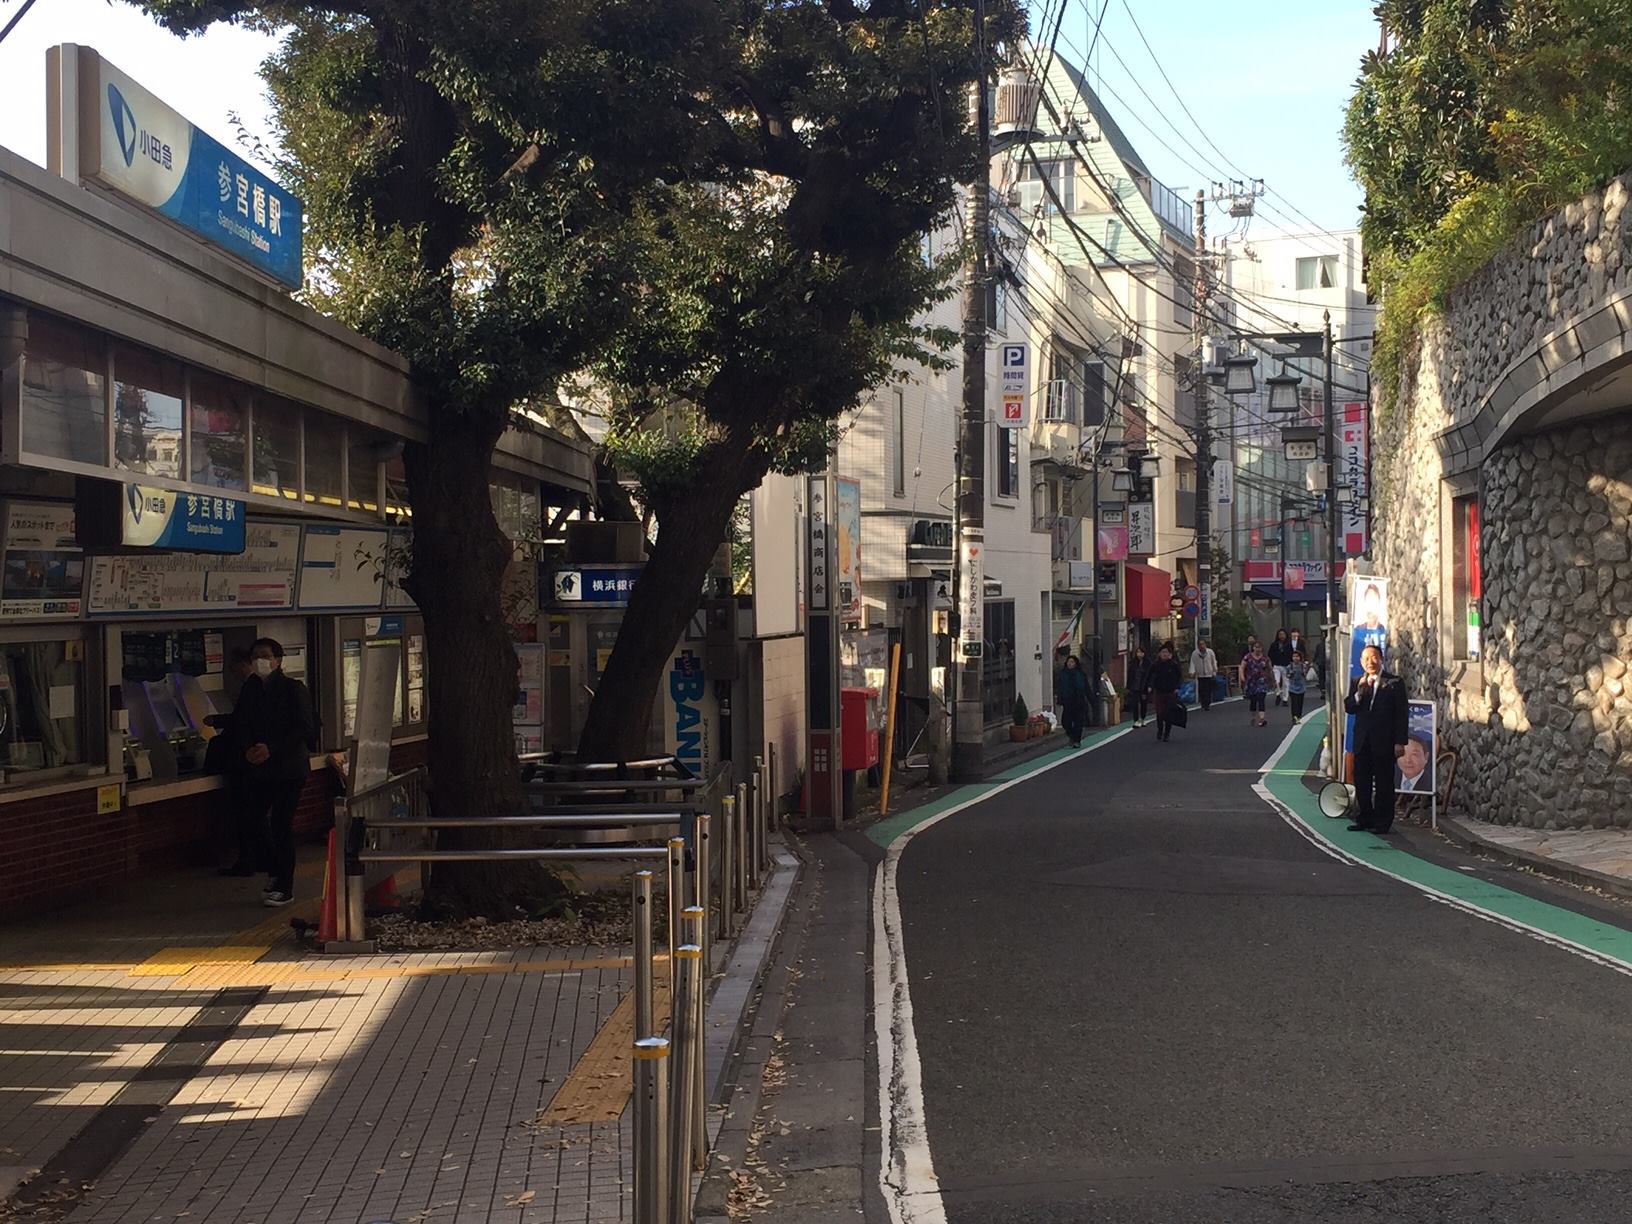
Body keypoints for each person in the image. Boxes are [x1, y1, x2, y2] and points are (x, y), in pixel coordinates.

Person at [232, 638, 318, 906]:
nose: (260, 661)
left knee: (281, 823)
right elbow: (240, 722)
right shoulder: (251, 689)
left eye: (265, 655)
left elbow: (306, 727)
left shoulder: (293, 689)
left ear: (278, 660)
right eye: (255, 656)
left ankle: (285, 885)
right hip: (261, 769)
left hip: (289, 769)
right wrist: (248, 748)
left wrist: (272, 748)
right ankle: (274, 870)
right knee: (253, 819)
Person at [1343, 644, 1410, 833]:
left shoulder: (1395, 683)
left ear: (1381, 659)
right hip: (1362, 740)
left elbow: (1402, 714)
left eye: (1374, 658)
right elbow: (1349, 707)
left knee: (1384, 783)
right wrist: (1359, 694)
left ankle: (1382, 822)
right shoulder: (1357, 681)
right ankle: (1364, 818)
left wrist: (1400, 742)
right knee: (1362, 781)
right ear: (1361, 662)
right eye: (1366, 659)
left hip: (1384, 741)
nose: (1370, 662)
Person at [210, 646, 260, 876]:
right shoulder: (257, 685)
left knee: (245, 813)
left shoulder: (252, 686)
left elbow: (242, 720)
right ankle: (255, 859)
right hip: (250, 760)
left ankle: (248, 861)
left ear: (242, 664)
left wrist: (218, 720)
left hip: (244, 762)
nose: (231, 672)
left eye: (232, 667)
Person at [1146, 644, 1183, 742]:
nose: (1164, 654)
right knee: (1159, 712)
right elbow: (1149, 676)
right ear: (1159, 654)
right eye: (1163, 652)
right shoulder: (1155, 665)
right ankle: (1160, 730)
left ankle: (1167, 733)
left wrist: (1177, 687)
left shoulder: (1173, 665)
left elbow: (1179, 677)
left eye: (1166, 652)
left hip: (1170, 692)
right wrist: (1149, 686)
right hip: (1159, 691)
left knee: (1169, 713)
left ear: (1170, 654)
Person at [1056, 653, 1091, 749]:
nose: (1070, 663)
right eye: (1068, 661)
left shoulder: (1080, 674)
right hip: (1067, 701)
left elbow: (1086, 687)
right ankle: (1072, 735)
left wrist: (1090, 698)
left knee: (1078, 722)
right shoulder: (1063, 674)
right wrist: (1060, 699)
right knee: (1065, 722)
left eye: (1072, 662)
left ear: (1076, 663)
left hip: (1079, 701)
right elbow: (1060, 688)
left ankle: (1077, 740)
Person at [1240, 641, 1273, 728]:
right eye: (1256, 647)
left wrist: (1271, 678)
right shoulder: (1248, 657)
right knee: (1253, 700)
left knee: (1261, 698)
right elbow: (1242, 667)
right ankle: (1253, 716)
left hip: (1262, 682)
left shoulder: (1265, 658)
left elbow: (1270, 668)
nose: (1257, 649)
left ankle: (1262, 719)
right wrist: (1242, 676)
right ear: (1253, 648)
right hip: (1251, 682)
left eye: (1259, 647)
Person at [1127, 644, 1153, 728]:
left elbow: (1151, 675)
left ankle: (1143, 718)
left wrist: (1150, 685)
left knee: (1143, 703)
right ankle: (1136, 720)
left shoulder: (1148, 663)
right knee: (1135, 703)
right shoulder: (1133, 663)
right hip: (1135, 685)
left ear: (1144, 653)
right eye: (1138, 652)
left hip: (1144, 686)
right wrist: (1128, 686)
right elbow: (1130, 675)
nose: (1139, 654)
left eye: (1141, 652)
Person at [1189, 637, 1218, 712]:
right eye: (1200, 644)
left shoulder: (1210, 652)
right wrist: (1192, 672)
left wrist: (1214, 670)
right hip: (1200, 674)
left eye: (1203, 644)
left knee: (1208, 689)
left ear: (1205, 644)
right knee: (1201, 689)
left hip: (1209, 673)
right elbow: (1192, 663)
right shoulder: (1195, 653)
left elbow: (1213, 661)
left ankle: (1207, 703)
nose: (1202, 646)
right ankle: (1203, 702)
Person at [1268, 629, 1293, 706]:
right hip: (1276, 665)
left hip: (1286, 666)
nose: (1282, 636)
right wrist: (1271, 664)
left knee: (1286, 683)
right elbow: (1270, 655)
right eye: (1280, 634)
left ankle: (1285, 699)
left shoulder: (1289, 645)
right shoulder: (1274, 645)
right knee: (1276, 681)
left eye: (1283, 634)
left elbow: (1291, 655)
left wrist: (1291, 665)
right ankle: (1278, 693)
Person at [1286, 648, 1309, 724]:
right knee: (1294, 703)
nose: (1295, 658)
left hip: (1301, 687)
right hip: (1292, 687)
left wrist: (1305, 670)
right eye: (1294, 656)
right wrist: (1290, 674)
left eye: (1297, 656)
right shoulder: (1289, 666)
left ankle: (1299, 716)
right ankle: (1294, 717)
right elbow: (1287, 676)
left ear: (1300, 657)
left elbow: (1305, 675)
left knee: (1300, 703)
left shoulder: (1302, 665)